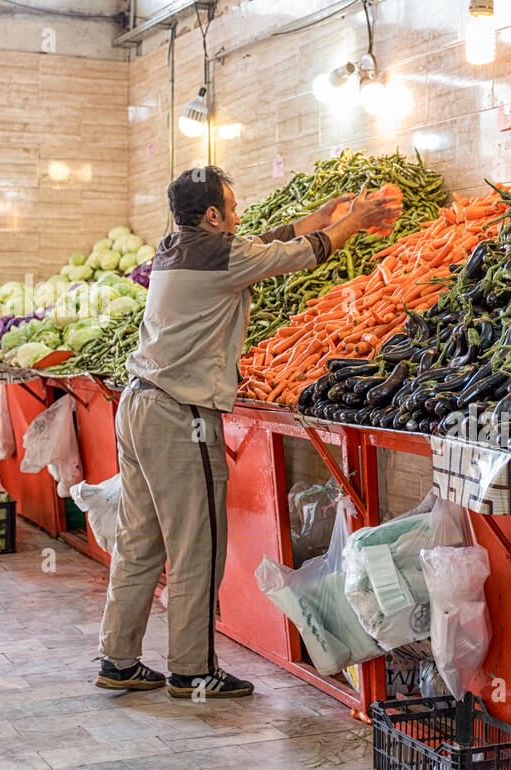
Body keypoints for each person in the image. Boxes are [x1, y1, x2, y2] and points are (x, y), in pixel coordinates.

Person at [96, 166, 399, 699]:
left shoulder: (177, 246)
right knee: (197, 547)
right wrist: (354, 220)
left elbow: (263, 244)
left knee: (139, 541)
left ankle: (118, 660)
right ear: (212, 215)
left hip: (137, 405)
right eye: (231, 210)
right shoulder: (222, 256)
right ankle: (192, 669)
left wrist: (319, 218)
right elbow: (299, 255)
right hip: (177, 419)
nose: (237, 219)